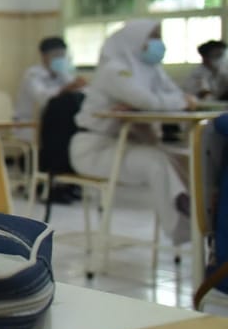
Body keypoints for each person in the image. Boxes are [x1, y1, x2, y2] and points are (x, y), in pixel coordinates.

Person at [70, 19, 197, 244]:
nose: (158, 43)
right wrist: (170, 102)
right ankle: (183, 228)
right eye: (153, 37)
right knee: (155, 163)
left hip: (124, 145)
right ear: (134, 40)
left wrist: (168, 101)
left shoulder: (151, 70)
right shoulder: (115, 70)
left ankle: (201, 216)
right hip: (93, 149)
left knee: (181, 159)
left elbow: (180, 97)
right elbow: (150, 100)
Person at [15, 36, 87, 136]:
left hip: (53, 121)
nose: (60, 58)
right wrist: (66, 89)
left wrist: (79, 86)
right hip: (29, 124)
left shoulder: (63, 74)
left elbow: (79, 89)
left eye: (62, 55)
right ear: (44, 56)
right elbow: (42, 98)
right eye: (56, 55)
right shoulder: (32, 74)